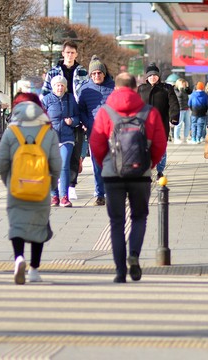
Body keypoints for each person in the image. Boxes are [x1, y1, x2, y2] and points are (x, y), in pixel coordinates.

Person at [89, 72, 166, 283]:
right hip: (140, 174)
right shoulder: (149, 112)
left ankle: (120, 272)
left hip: (113, 175)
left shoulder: (105, 112)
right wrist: (149, 164)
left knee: (116, 222)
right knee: (139, 218)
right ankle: (134, 255)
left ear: (116, 88)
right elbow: (160, 143)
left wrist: (106, 164)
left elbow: (95, 143)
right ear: (134, 89)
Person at [0, 98, 61, 285]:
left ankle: (18, 258)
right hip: (41, 187)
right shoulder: (48, 134)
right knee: (38, 227)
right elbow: (56, 164)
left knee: (17, 225)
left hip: (16, 187)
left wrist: (8, 181)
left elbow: (1, 163)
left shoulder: (10, 133)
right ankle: (34, 269)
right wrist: (52, 184)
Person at [41, 41, 89, 200]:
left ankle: (71, 185)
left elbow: (86, 93)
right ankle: (57, 188)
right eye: (67, 52)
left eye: (72, 53)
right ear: (63, 53)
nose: (70, 55)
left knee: (75, 152)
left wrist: (83, 118)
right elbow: (45, 94)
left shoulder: (82, 71)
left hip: (76, 114)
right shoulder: (53, 71)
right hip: (56, 119)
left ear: (76, 54)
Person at [77, 55, 115, 206]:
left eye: (99, 73)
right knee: (97, 164)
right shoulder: (85, 89)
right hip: (94, 132)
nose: (96, 75)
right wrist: (88, 123)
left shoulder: (113, 87)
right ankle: (100, 194)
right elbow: (81, 110)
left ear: (104, 73)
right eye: (93, 73)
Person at [43, 75, 81, 208]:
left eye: (62, 85)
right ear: (53, 87)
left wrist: (73, 121)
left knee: (64, 165)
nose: (60, 87)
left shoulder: (70, 99)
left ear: (65, 87)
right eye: (57, 85)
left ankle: (64, 197)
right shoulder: (47, 100)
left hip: (67, 138)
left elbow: (78, 116)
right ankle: (54, 196)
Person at [137, 63, 179, 179]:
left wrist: (174, 117)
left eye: (155, 75)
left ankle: (160, 171)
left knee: (161, 148)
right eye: (150, 76)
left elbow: (173, 104)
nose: (153, 77)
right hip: (144, 125)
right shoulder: (141, 89)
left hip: (161, 123)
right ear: (147, 77)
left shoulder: (166, 88)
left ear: (158, 76)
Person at [173, 78, 192, 144]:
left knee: (188, 124)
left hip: (186, 108)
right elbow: (179, 96)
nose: (183, 85)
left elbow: (190, 92)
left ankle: (185, 138)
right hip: (180, 109)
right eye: (182, 84)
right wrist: (181, 89)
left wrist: (187, 87)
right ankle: (176, 138)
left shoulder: (184, 90)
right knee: (179, 124)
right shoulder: (175, 89)